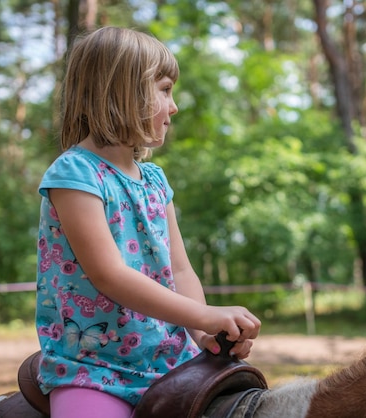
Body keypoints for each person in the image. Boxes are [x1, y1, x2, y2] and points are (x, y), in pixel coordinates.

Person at [35, 26, 261, 418]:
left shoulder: (155, 181)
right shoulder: (75, 174)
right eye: (165, 89)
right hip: (94, 369)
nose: (173, 107)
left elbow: (180, 268)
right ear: (122, 91)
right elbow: (110, 275)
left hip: (172, 360)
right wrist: (206, 314)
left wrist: (203, 332)